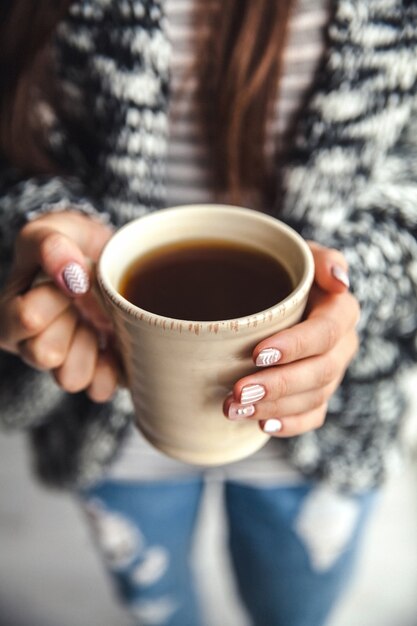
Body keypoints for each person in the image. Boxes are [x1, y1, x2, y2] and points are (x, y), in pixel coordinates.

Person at [0, 1, 416, 625]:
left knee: (295, 611)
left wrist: (353, 287)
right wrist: (37, 231)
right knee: (162, 611)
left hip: (322, 420)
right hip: (109, 420)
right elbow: (12, 153)